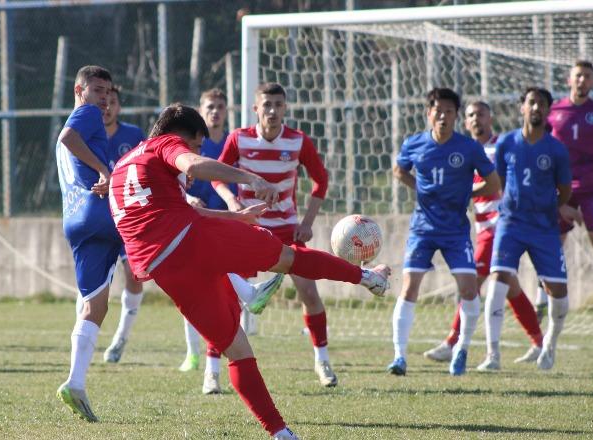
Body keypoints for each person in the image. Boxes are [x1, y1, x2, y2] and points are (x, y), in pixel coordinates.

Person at [109, 103, 390, 439]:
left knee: (237, 350)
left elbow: (170, 213)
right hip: (192, 241)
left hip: (164, 268)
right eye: (198, 144)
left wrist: (236, 218)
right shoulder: (166, 145)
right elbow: (193, 166)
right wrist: (251, 177)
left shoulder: (124, 166)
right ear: (185, 136)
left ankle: (280, 433)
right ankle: (368, 277)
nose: (194, 151)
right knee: (289, 258)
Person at [213, 82, 339, 388]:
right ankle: (212, 372)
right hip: (247, 230)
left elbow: (321, 180)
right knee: (225, 298)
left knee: (309, 293)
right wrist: (232, 203)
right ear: (256, 108)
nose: (272, 111)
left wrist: (307, 222)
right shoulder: (238, 139)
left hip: (286, 230)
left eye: (278, 105)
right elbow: (217, 175)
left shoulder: (297, 141)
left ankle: (322, 361)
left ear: (285, 108)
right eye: (266, 105)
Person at [422, 101, 544, 369]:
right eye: (470, 116)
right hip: (482, 226)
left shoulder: (504, 146)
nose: (476, 119)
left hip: (502, 226)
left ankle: (452, 343)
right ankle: (539, 342)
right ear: (464, 123)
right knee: (510, 285)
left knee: (472, 281)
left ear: (491, 117)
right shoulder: (464, 150)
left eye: (480, 114)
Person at [179, 88, 285, 397]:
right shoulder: (186, 142)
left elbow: (225, 176)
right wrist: (187, 197)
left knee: (221, 302)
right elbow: (171, 179)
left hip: (221, 222)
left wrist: (235, 202)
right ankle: (200, 358)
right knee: (207, 297)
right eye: (209, 107)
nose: (215, 112)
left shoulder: (229, 142)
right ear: (200, 109)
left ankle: (211, 374)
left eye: (220, 107)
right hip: (192, 223)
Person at [389, 88, 500, 376]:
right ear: (429, 113)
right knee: (409, 285)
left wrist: (469, 192)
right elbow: (399, 171)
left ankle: (461, 349)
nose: (443, 116)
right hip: (422, 228)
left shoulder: (468, 148)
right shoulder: (414, 144)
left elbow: (493, 183)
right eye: (438, 110)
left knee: (468, 288)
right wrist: (420, 189)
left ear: (455, 116)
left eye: (449, 111)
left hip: (455, 231)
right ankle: (399, 357)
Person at [489, 87, 581, 370]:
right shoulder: (506, 143)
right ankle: (492, 355)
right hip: (511, 223)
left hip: (544, 227)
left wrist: (549, 206)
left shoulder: (556, 149)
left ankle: (549, 346)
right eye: (532, 103)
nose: (536, 108)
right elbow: (499, 182)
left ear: (548, 111)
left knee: (558, 291)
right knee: (499, 275)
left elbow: (564, 190)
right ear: (522, 108)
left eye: (542, 104)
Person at [54, 65, 121, 423]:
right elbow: (69, 137)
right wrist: (106, 171)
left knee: (95, 307)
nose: (104, 97)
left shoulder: (82, 118)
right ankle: (244, 292)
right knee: (172, 234)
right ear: (79, 90)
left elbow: (64, 141)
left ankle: (75, 383)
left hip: (76, 223)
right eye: (97, 90)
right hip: (100, 213)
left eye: (108, 91)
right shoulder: (87, 114)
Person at [546, 60, 593, 336]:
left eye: (587, 76)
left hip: (591, 187)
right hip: (560, 189)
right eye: (578, 76)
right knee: (552, 244)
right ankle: (545, 304)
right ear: (568, 80)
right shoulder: (553, 111)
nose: (582, 80)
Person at [99, 86, 147, 363]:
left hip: (129, 219)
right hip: (99, 218)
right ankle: (83, 334)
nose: (107, 107)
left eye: (113, 102)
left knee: (134, 274)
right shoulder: (86, 135)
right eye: (103, 102)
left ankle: (121, 338)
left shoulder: (133, 136)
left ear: (119, 106)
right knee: (96, 281)